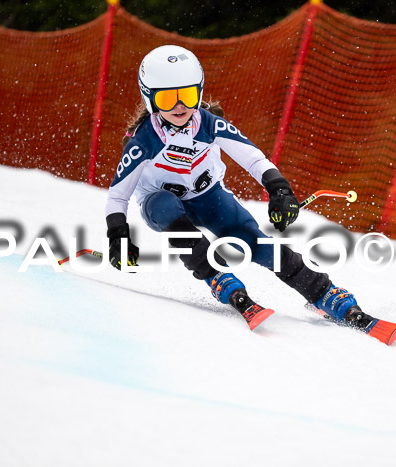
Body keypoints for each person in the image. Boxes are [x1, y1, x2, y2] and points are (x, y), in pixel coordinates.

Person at [104, 44, 380, 334]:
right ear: (150, 99)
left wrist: (279, 189)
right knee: (163, 203)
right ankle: (216, 276)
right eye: (167, 98)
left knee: (255, 242)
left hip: (208, 197)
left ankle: (322, 292)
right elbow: (117, 196)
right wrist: (118, 235)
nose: (179, 106)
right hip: (162, 206)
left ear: (198, 91)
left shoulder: (209, 124)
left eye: (186, 95)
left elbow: (254, 159)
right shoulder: (144, 141)